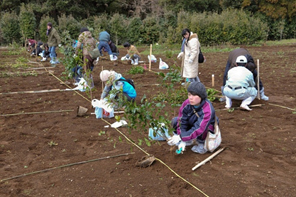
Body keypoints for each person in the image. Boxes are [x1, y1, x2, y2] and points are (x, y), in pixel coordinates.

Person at [167, 81, 217, 154]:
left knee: (205, 128)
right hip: (193, 122)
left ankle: (201, 144)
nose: (190, 98)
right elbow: (181, 121)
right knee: (175, 121)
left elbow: (199, 128)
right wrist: (182, 137)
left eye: (194, 95)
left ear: (201, 96)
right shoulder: (186, 104)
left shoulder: (207, 109)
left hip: (205, 127)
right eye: (189, 94)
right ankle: (188, 139)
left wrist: (181, 137)